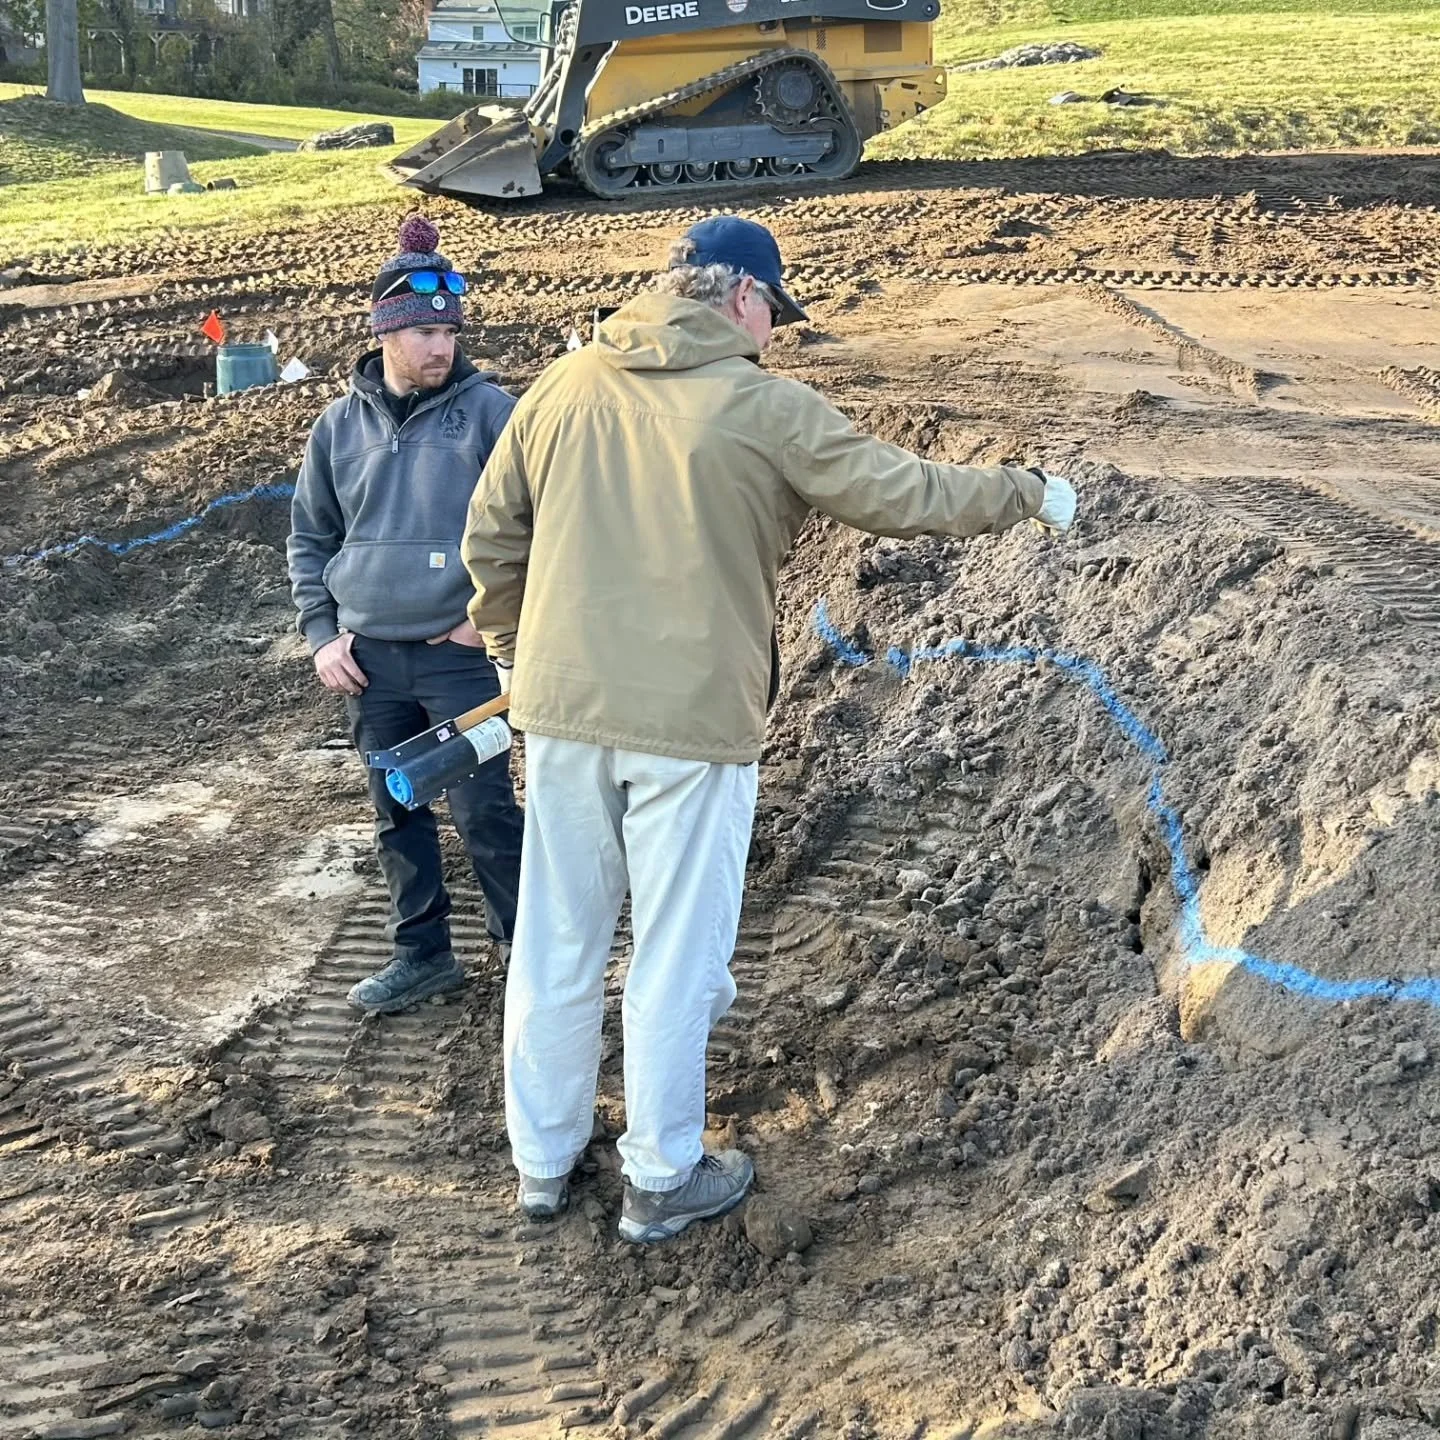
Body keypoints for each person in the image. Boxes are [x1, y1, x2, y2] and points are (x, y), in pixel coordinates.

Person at [461, 216, 1076, 1241]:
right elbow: (903, 492)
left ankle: (543, 1161)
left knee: (558, 942)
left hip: (561, 717)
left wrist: (514, 656)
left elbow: (492, 531)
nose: (775, 335)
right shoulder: (760, 406)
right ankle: (659, 1175)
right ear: (743, 297)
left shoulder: (566, 385)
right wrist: (1027, 493)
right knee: (672, 956)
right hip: (689, 725)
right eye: (773, 315)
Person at [288, 215, 524, 1015]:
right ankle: (422, 955)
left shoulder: (493, 413)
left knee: (486, 811)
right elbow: (310, 539)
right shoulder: (336, 426)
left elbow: (549, 525)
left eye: (448, 331)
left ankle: (527, 960)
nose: (440, 347)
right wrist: (323, 637)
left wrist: (486, 621)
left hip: (459, 658)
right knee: (397, 813)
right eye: (422, 331)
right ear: (385, 333)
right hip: (369, 663)